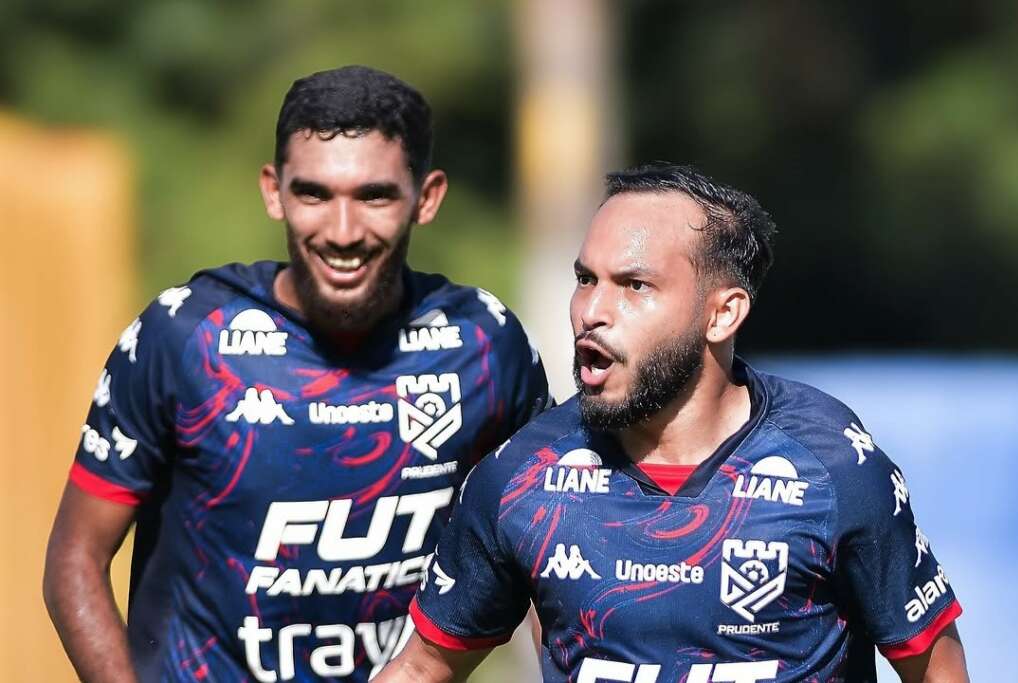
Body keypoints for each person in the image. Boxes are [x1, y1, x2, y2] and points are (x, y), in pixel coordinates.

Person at [43, 65, 550, 683]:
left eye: (374, 196)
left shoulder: (485, 346)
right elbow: (75, 560)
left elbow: (548, 553)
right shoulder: (186, 339)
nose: (342, 232)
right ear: (273, 191)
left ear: (427, 197)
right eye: (314, 194)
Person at [378, 162, 969, 682]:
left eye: (635, 286)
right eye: (586, 279)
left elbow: (936, 670)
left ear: (723, 314)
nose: (592, 311)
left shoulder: (832, 466)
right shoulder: (523, 475)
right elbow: (425, 668)